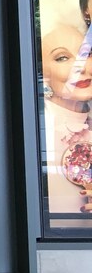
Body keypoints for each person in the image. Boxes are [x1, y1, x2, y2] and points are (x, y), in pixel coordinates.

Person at [41, 19, 92, 213]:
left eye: (87, 54)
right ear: (42, 72)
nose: (80, 67)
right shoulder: (35, 129)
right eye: (62, 58)